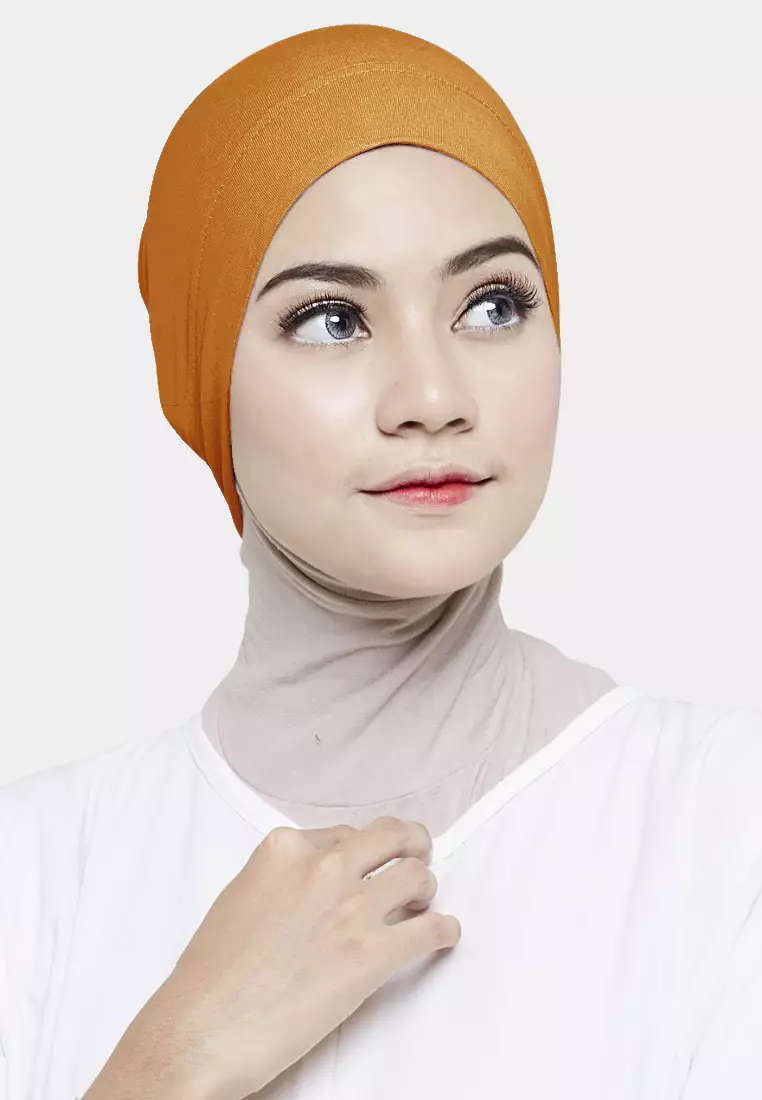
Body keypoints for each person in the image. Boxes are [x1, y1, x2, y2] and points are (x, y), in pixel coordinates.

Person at [1, 22, 760, 1100]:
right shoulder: (34, 872)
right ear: (199, 374)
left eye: (493, 305)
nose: (433, 397)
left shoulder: (724, 824)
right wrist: (175, 1061)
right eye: (331, 319)